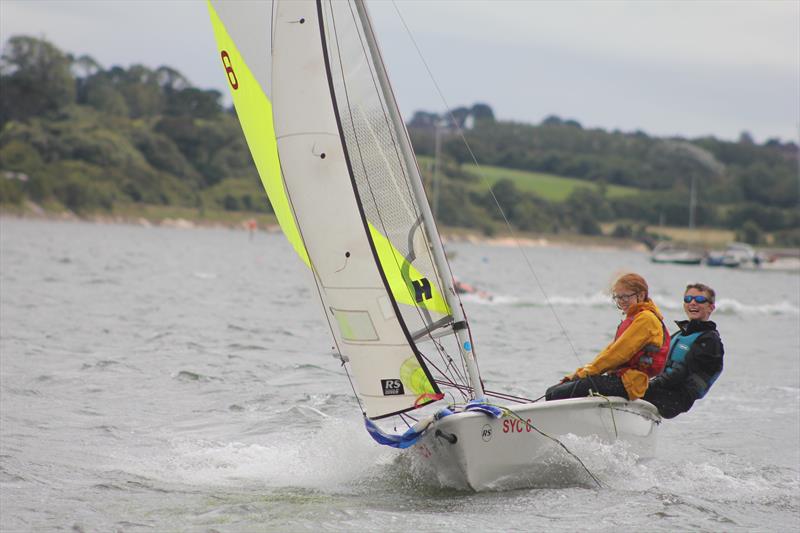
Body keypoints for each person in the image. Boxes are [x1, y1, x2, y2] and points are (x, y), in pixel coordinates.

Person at [545, 273, 669, 402]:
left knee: (556, 393)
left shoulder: (646, 319)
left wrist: (585, 374)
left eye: (626, 296)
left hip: (630, 384)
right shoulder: (636, 318)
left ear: (641, 295)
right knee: (553, 391)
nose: (622, 301)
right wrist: (579, 373)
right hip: (622, 380)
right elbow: (609, 351)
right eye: (618, 297)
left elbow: (618, 354)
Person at [643, 283, 724, 418]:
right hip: (660, 389)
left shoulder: (709, 341)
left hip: (676, 398)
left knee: (627, 390)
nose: (692, 303)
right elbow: (655, 359)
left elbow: (682, 372)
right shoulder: (680, 335)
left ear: (711, 307)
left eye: (699, 300)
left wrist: (649, 385)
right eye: (688, 299)